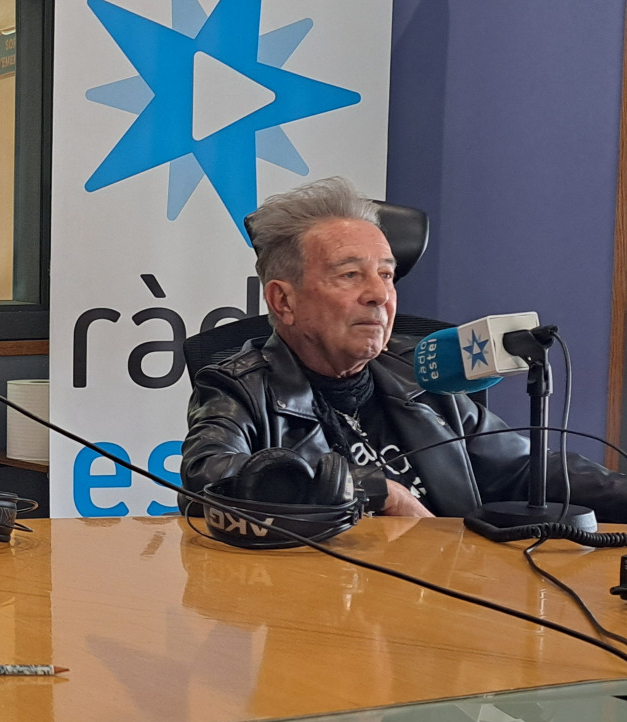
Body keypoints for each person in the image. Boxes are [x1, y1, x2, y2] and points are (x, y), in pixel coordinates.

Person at [181, 176, 627, 521]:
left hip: (450, 587)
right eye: (350, 275)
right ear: (284, 301)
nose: (380, 295)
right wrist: (373, 489)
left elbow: (524, 468)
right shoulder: (238, 388)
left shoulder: (420, 371)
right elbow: (208, 479)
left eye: (387, 275)